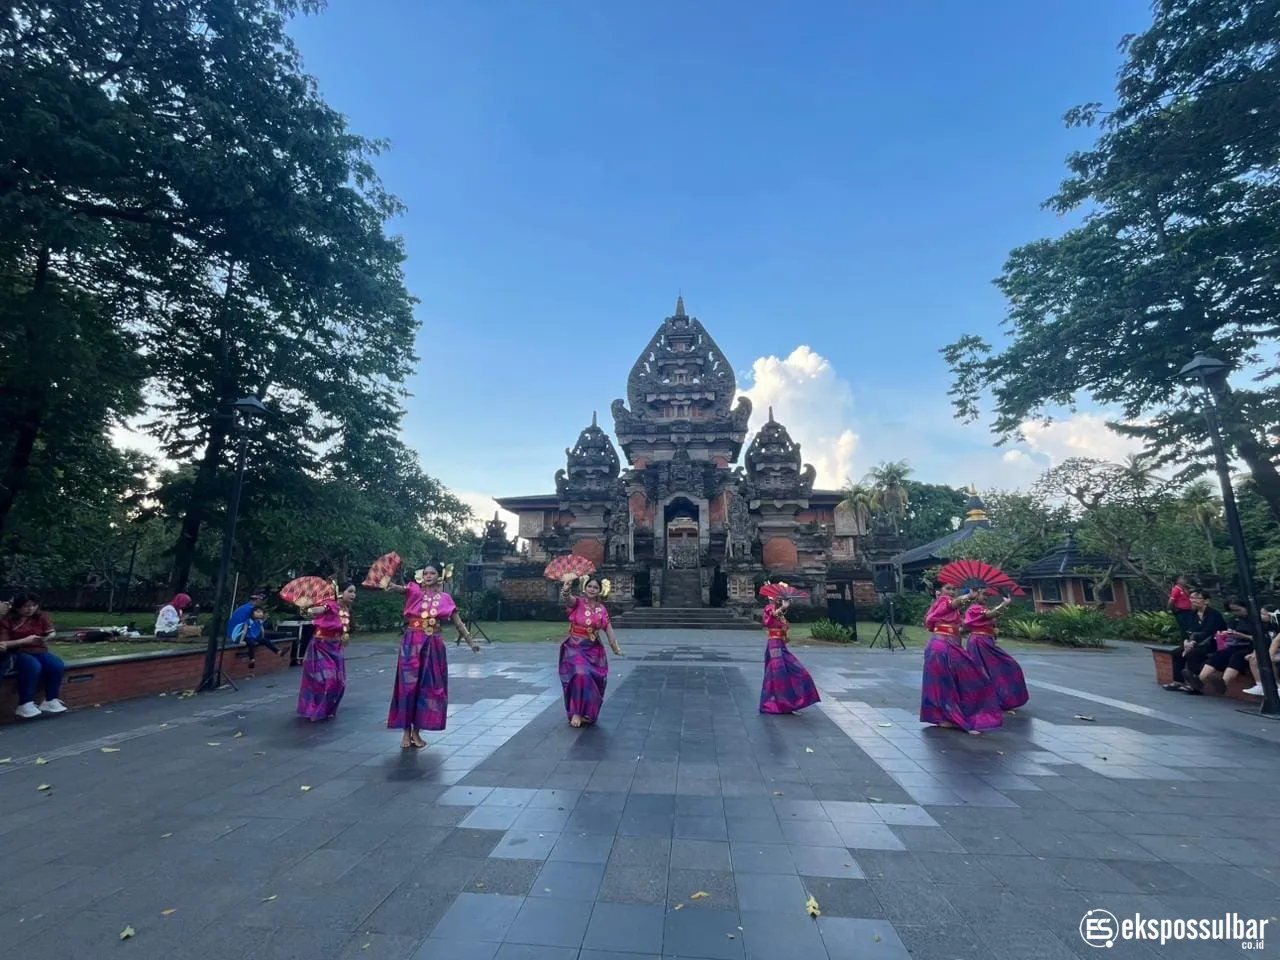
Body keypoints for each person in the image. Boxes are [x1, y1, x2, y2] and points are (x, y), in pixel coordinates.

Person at [385, 562, 480, 750]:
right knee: (407, 686)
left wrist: (471, 642)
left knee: (427, 687)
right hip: (412, 642)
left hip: (433, 644)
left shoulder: (445, 598)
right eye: (426, 573)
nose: (428, 576)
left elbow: (458, 623)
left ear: (440, 575)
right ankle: (405, 731)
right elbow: (399, 588)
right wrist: (391, 585)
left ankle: (416, 732)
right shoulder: (414, 591)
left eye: (432, 573)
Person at [920, 583, 1002, 734]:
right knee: (961, 680)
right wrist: (968, 597)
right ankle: (953, 719)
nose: (951, 592)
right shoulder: (943, 601)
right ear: (939, 591)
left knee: (949, 682)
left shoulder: (947, 608)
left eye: (954, 589)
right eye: (948, 588)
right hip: (942, 648)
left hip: (947, 645)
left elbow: (960, 627)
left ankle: (946, 718)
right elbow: (954, 602)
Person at [559, 575, 623, 727]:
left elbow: (607, 627)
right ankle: (576, 712)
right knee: (581, 674)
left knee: (595, 679)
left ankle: (588, 713)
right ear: (585, 587)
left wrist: (615, 647)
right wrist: (566, 588)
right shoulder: (578, 602)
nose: (592, 589)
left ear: (600, 591)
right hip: (575, 647)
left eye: (595, 587)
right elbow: (568, 599)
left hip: (593, 650)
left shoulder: (601, 609)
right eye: (590, 586)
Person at [0, 594, 67, 719]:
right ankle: (25, 702)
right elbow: (3, 644)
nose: (30, 609)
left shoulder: (40, 616)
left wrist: (47, 636)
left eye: (33, 606)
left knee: (56, 665)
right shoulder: (8, 620)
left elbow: (50, 631)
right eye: (26, 606)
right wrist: (25, 640)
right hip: (18, 651)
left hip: (38, 649)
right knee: (32, 666)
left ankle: (51, 699)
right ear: (18, 607)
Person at [963, 589, 1029, 712]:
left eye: (988, 595)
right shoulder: (974, 608)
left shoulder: (984, 608)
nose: (986, 597)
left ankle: (998, 699)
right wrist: (1004, 604)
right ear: (976, 594)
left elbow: (991, 617)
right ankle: (983, 701)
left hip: (987, 642)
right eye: (984, 594)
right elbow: (989, 615)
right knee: (983, 672)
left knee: (1001, 668)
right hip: (979, 642)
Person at [297, 583, 355, 721]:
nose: (353, 595)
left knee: (340, 682)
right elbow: (320, 610)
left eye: (354, 592)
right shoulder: (330, 604)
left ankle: (328, 709)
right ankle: (314, 709)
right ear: (340, 592)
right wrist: (308, 610)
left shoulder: (346, 609)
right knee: (326, 680)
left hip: (336, 647)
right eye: (350, 591)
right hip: (321, 646)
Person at [758, 592, 821, 715]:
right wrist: (783, 607)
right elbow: (770, 618)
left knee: (795, 672)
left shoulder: (780, 612)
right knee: (780, 676)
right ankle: (784, 705)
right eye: (779, 597)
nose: (780, 599)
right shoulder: (769, 608)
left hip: (780, 645)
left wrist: (783, 611)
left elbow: (783, 625)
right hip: (774, 646)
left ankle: (787, 703)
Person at [1162, 589, 1228, 694]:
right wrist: (1186, 642)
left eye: (1197, 598)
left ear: (1206, 601)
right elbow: (1187, 631)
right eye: (1192, 598)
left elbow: (1209, 632)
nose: (1193, 600)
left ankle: (1195, 684)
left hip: (1212, 644)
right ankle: (1178, 682)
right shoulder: (1191, 615)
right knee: (1177, 653)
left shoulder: (1214, 615)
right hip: (1195, 643)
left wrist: (1192, 642)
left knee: (1193, 653)